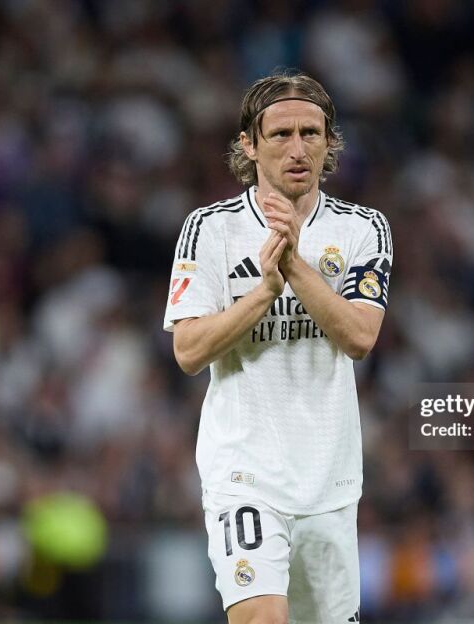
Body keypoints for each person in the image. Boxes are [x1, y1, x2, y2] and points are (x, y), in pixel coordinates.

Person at [163, 71, 392, 624]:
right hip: (245, 475)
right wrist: (263, 293)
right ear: (249, 144)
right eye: (281, 134)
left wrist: (292, 264)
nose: (298, 148)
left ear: (329, 142)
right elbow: (188, 351)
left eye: (311, 133)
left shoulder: (363, 229)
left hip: (330, 481)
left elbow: (360, 337)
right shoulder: (211, 229)